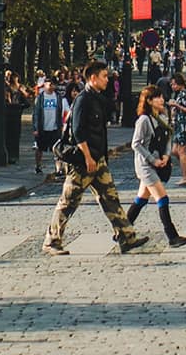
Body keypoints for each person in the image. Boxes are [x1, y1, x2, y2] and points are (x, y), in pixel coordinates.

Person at [43, 59, 148, 256]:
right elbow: (78, 132)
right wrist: (88, 157)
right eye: (104, 76)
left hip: (97, 159)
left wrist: (100, 159)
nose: (107, 79)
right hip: (83, 162)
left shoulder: (97, 97)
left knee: (111, 198)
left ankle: (127, 237)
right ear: (93, 78)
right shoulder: (83, 99)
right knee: (68, 202)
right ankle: (52, 240)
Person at [125, 84, 186, 248]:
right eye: (157, 97)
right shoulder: (144, 120)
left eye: (161, 96)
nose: (162, 100)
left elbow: (168, 137)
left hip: (158, 161)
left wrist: (167, 155)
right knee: (162, 198)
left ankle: (121, 232)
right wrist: (152, 160)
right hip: (145, 165)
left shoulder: (162, 116)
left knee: (141, 200)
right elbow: (136, 144)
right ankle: (172, 236)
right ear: (149, 101)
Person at [30, 76, 69, 180]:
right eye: (48, 84)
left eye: (52, 84)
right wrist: (35, 128)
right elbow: (36, 114)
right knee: (39, 148)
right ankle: (38, 166)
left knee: (56, 149)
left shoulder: (58, 98)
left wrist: (62, 126)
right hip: (42, 127)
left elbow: (63, 111)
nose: (50, 86)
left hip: (55, 127)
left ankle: (58, 169)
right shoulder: (40, 97)